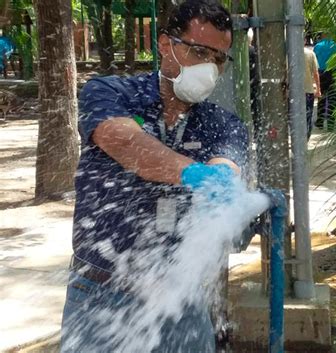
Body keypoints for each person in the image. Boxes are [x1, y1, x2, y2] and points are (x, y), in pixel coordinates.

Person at [60, 1, 248, 352]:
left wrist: (224, 181)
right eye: (198, 51)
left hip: (183, 301)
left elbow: (228, 165)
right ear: (166, 45)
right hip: (101, 295)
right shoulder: (110, 93)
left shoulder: (224, 123)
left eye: (219, 58)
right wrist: (191, 173)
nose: (209, 66)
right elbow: (123, 141)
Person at [314, 32, 336, 130]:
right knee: (333, 99)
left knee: (322, 98)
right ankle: (330, 124)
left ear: (322, 36)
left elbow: (315, 59)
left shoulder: (318, 46)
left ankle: (320, 122)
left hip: (321, 73)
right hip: (334, 73)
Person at [304, 37, 321, 139]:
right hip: (307, 91)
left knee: (292, 118)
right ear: (305, 41)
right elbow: (315, 73)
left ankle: (295, 141)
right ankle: (305, 140)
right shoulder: (310, 54)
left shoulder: (287, 54)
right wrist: (318, 89)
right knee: (308, 117)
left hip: (292, 93)